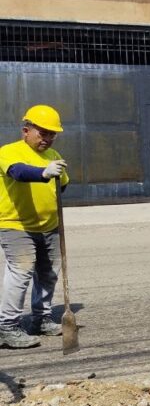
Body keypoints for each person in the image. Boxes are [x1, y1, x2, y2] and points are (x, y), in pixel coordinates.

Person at [0, 106, 70, 349]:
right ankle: (7, 327)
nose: (47, 138)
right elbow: (18, 172)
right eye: (43, 132)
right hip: (16, 225)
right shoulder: (9, 152)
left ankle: (41, 319)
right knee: (21, 272)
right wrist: (44, 172)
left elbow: (62, 185)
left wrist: (54, 177)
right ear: (26, 131)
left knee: (49, 273)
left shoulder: (54, 155)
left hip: (49, 227)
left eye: (52, 134)